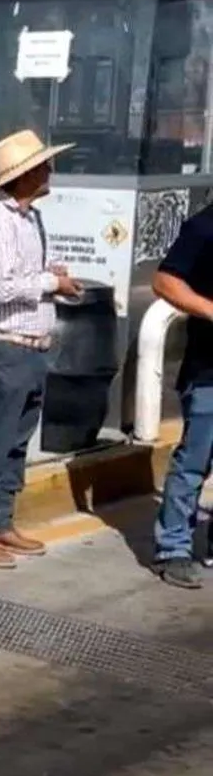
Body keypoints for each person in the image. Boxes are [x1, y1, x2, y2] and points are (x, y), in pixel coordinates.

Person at [0, 130, 82, 569]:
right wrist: (50, 282)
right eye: (43, 165)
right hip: (2, 347)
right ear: (22, 175)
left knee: (15, 443)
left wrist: (51, 280)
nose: (50, 171)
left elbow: (22, 277)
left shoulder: (30, 219)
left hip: (30, 347)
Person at [149, 204, 213, 589]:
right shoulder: (204, 227)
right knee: (194, 462)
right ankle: (173, 549)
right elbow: (165, 281)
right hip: (208, 371)